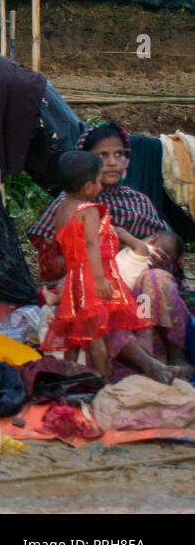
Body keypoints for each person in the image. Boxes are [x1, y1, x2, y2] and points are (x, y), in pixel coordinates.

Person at [30, 123, 191, 381]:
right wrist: (108, 256)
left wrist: (159, 259)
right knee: (100, 298)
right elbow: (50, 266)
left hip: (137, 290)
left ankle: (175, 355)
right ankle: (143, 364)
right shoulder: (69, 205)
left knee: (157, 280)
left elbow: (169, 247)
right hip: (93, 280)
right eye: (102, 156)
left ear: (128, 158)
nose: (113, 162)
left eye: (119, 154)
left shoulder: (138, 201)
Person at [39, 151, 150, 378]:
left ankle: (69, 373)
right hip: (91, 278)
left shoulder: (61, 209)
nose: (101, 185)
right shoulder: (88, 211)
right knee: (95, 334)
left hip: (74, 277)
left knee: (73, 331)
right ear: (89, 186)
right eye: (99, 180)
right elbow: (91, 245)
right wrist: (100, 280)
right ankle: (102, 377)